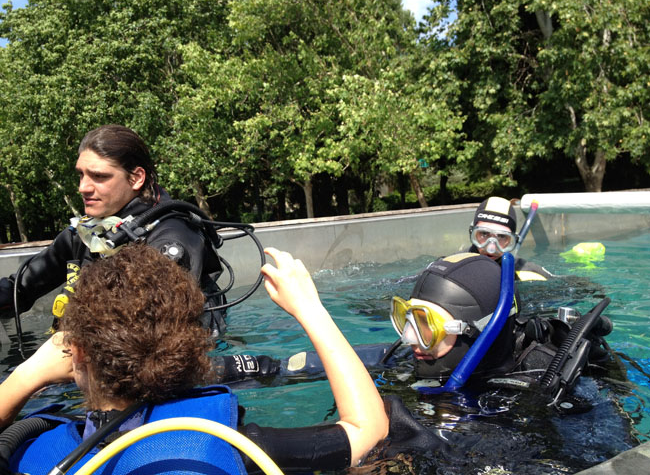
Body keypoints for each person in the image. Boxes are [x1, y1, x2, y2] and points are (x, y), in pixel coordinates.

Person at [0, 243, 398, 473]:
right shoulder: (228, 443)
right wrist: (311, 309)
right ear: (191, 344)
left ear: (77, 351)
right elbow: (369, 430)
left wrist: (25, 375)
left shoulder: (27, 447)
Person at [215, 253, 615, 408]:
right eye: (409, 319)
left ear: (482, 331)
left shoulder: (545, 393)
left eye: (427, 326)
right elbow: (298, 365)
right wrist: (213, 370)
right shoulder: (417, 356)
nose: (410, 339)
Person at [0, 124, 226, 336]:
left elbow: (148, 336)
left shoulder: (172, 237)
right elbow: (19, 288)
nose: (83, 187)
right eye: (81, 174)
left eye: (99, 176)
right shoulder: (85, 233)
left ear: (136, 178)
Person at [468, 196, 555, 281]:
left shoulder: (532, 274)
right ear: (473, 234)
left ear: (512, 241)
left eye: (502, 236)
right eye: (484, 233)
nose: (491, 248)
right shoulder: (455, 265)